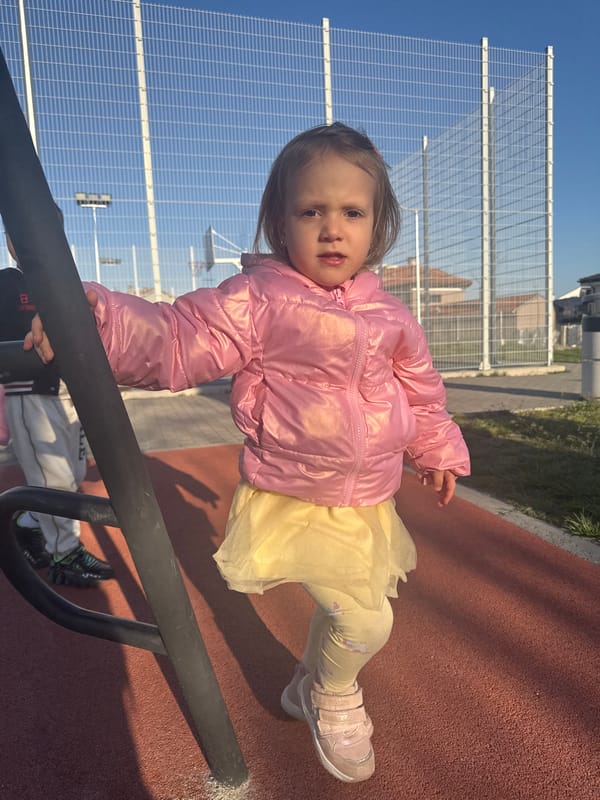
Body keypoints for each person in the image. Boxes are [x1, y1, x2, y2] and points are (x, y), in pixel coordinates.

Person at [27, 123, 470, 781]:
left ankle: (304, 686)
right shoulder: (259, 300)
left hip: (366, 499)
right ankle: (332, 692)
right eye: (310, 211)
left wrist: (437, 448)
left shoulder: (392, 318)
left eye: (351, 212)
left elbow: (422, 391)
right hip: (292, 497)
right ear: (278, 224)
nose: (331, 229)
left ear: (377, 228)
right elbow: (179, 340)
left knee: (347, 607)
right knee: (366, 620)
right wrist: (98, 321)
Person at [1, 210, 114, 588]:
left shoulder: (62, 283)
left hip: (66, 392)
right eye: (23, 232)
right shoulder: (8, 282)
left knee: (75, 475)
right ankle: (64, 555)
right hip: (29, 393)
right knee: (57, 481)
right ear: (11, 241)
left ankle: (28, 520)